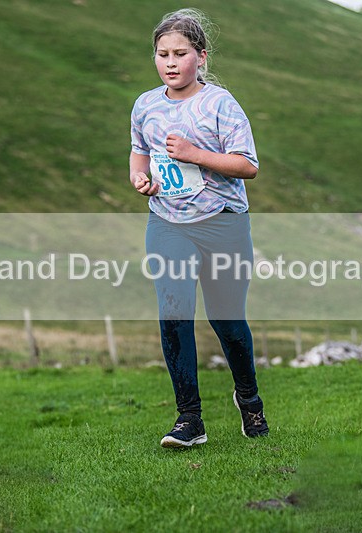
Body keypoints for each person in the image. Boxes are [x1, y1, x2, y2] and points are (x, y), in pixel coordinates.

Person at [129, 8, 269, 448]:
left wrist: (194, 154)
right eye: (162, 54)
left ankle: (249, 400)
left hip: (223, 225)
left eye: (180, 53)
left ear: (201, 57)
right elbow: (139, 150)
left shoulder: (220, 105)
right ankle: (189, 419)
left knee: (227, 321)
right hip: (168, 223)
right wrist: (140, 177)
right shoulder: (145, 105)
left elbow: (247, 165)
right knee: (174, 314)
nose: (170, 62)